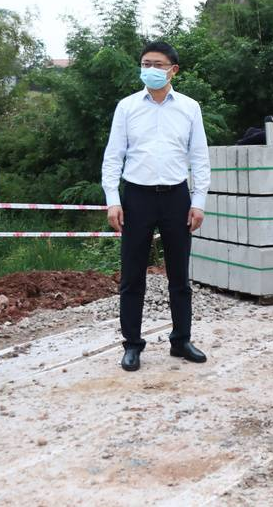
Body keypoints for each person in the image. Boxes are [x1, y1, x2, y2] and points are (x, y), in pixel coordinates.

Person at [101, 40, 211, 372]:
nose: (150, 70)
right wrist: (113, 200)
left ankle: (181, 340)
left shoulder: (189, 108)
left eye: (158, 64)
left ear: (173, 70)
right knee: (132, 276)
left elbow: (199, 158)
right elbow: (113, 156)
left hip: (177, 196)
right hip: (137, 197)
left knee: (180, 275)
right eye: (145, 64)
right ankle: (132, 344)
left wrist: (199, 202)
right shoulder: (127, 107)